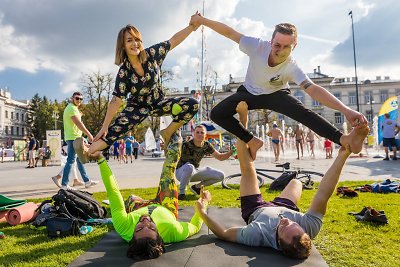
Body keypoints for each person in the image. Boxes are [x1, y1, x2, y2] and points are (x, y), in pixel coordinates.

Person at [196, 101, 369, 259]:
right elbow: (324, 193)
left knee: (247, 167)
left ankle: (243, 121)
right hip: (285, 206)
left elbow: (225, 233)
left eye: (284, 227)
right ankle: (348, 146)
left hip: (256, 209)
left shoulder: (256, 234)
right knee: (296, 182)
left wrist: (202, 211)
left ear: (278, 243)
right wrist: (342, 156)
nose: (286, 221)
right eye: (294, 224)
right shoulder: (309, 227)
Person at [189, 14, 367, 160]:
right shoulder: (256, 46)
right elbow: (229, 33)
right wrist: (202, 20)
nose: (279, 50)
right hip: (249, 92)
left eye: (286, 47)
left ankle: (343, 139)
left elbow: (312, 89)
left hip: (276, 94)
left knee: (304, 113)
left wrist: (346, 110)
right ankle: (253, 140)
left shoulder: (292, 66)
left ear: (294, 47)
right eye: (277, 45)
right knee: (217, 113)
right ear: (270, 41)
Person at [76, 14, 200, 164]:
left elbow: (173, 41)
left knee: (192, 104)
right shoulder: (124, 72)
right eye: (129, 40)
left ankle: (167, 132)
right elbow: (116, 100)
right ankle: (89, 150)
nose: (134, 44)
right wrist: (105, 126)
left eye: (137, 39)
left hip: (158, 103)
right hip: (137, 107)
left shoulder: (152, 54)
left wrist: (192, 27)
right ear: (122, 45)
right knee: (116, 129)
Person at [74, 131, 205, 260]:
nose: (146, 221)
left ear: (132, 236)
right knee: (168, 171)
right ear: (160, 235)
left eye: (139, 228)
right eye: (151, 227)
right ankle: (175, 132)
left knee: (130, 198)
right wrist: (203, 204)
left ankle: (92, 153)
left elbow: (113, 190)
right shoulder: (174, 232)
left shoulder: (123, 226)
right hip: (166, 206)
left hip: (138, 207)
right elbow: (195, 226)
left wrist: (100, 159)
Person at [175, 125, 233, 200]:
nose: (199, 134)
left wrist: (230, 153)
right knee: (189, 167)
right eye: (197, 132)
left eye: (202, 133)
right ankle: (181, 193)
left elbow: (220, 157)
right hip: (181, 172)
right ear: (193, 133)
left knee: (220, 175)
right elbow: (173, 157)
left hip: (194, 171)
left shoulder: (206, 145)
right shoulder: (185, 145)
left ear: (205, 135)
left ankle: (196, 187)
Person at [62, 92, 98, 190]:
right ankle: (64, 185)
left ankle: (87, 181)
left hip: (75, 137)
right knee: (70, 160)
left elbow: (78, 122)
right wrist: (89, 135)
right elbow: (78, 124)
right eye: (77, 98)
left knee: (79, 160)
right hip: (73, 138)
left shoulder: (74, 109)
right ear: (72, 98)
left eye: (81, 99)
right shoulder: (71, 108)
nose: (79, 100)